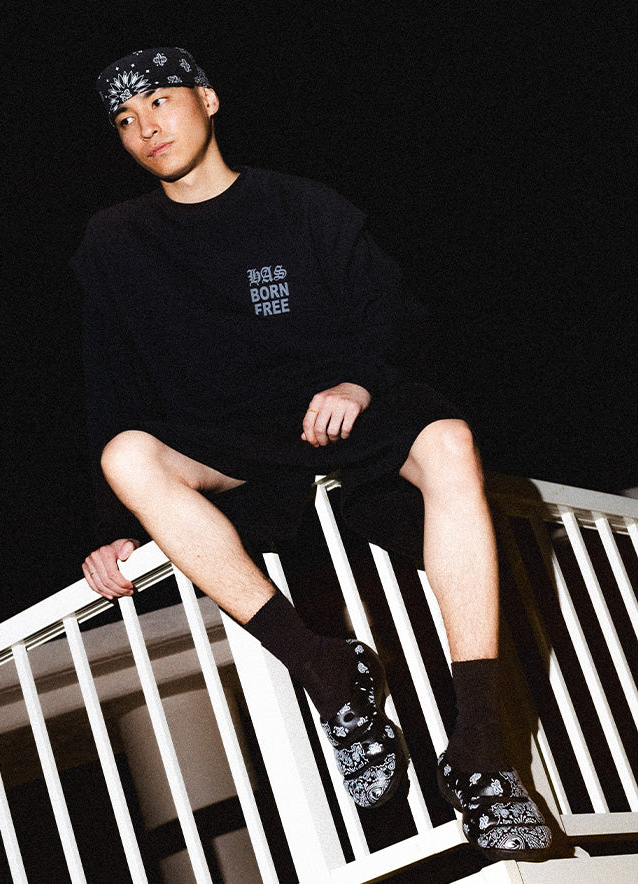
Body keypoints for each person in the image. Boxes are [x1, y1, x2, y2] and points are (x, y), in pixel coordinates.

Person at [70, 46, 551, 861]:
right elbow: (108, 381)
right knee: (126, 456)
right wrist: (114, 524)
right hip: (227, 434)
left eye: (160, 102)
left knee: (449, 440)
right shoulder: (116, 241)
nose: (145, 126)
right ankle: (328, 673)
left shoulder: (301, 206)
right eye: (124, 119)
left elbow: (395, 317)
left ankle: (481, 748)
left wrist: (357, 384)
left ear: (207, 100)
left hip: (344, 402)